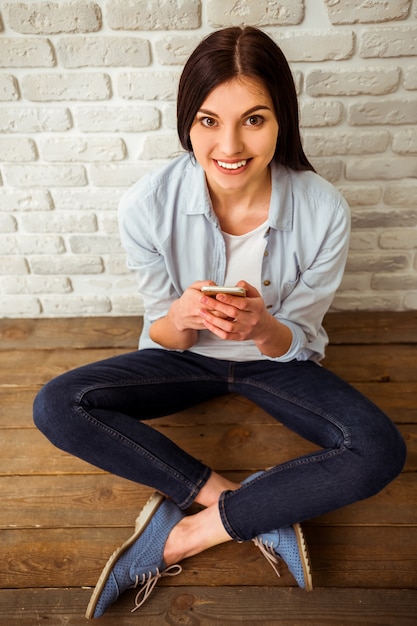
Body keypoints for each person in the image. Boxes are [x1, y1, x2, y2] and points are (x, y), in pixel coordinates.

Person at [33, 26, 406, 620]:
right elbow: (160, 332)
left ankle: (184, 534)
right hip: (181, 358)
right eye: (209, 121)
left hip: (275, 364)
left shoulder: (323, 210)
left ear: (282, 118)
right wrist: (181, 317)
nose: (229, 144)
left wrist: (262, 328)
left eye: (253, 119)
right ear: (188, 122)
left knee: (380, 451)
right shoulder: (146, 205)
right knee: (55, 404)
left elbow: (300, 336)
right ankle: (238, 503)